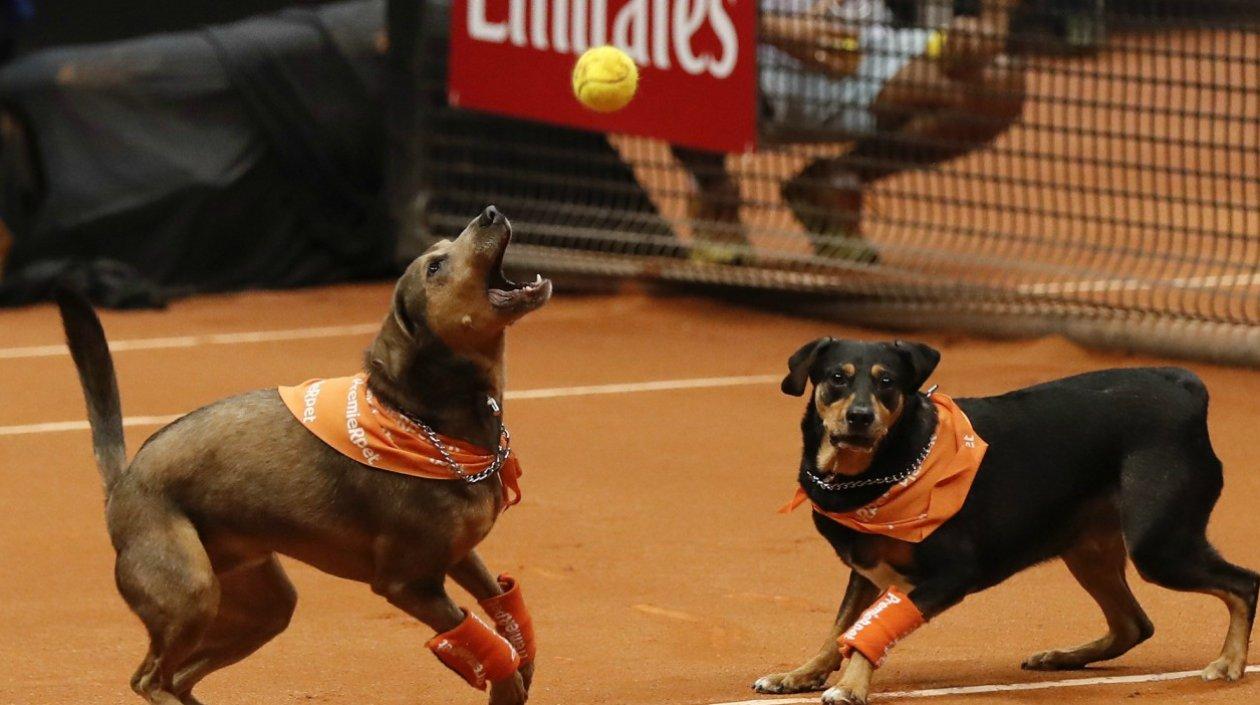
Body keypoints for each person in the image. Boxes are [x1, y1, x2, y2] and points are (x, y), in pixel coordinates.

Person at [674, 0, 1027, 264]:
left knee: (996, 81)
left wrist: (991, 24)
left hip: (867, 54)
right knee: (677, 57)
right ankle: (711, 189)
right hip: (741, 56)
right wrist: (779, 30)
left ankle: (831, 184)